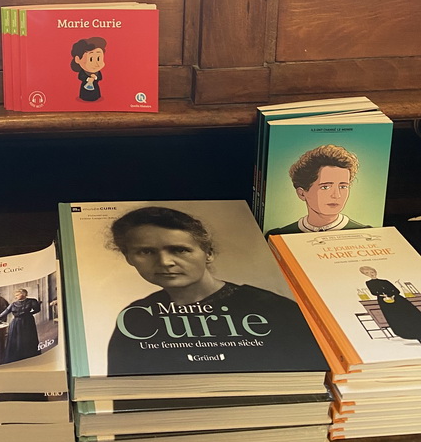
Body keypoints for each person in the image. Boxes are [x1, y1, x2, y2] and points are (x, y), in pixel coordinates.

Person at [106, 206, 318, 376]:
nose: (165, 262)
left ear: (208, 253)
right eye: (146, 251)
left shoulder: (276, 310)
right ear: (129, 258)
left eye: (179, 250)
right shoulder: (136, 317)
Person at [265, 144, 366, 236]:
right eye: (325, 187)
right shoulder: (279, 235)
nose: (337, 195)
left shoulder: (365, 234)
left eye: (343, 186)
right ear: (302, 193)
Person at [360, 266, 421, 344]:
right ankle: (413, 334)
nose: (371, 274)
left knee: (410, 314)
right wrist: (384, 295)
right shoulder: (369, 283)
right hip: (385, 302)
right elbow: (374, 292)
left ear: (375, 271)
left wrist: (392, 295)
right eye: (367, 273)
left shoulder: (385, 281)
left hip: (398, 300)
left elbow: (396, 290)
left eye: (371, 272)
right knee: (397, 317)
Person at [0, 287, 41, 364]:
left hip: (27, 323)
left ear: (23, 294)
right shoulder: (13, 304)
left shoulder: (32, 301)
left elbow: (37, 309)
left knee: (27, 339)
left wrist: (29, 314)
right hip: (16, 323)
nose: (15, 296)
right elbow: (4, 313)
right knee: (16, 341)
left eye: (17, 295)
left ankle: (28, 356)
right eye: (15, 295)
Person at [70, 37, 106, 102]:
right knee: (85, 93)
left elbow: (100, 78)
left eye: (98, 59)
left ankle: (96, 97)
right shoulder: (83, 72)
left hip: (95, 88)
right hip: (85, 89)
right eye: (91, 59)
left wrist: (95, 77)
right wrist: (88, 79)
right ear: (78, 59)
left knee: (96, 93)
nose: (96, 64)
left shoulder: (97, 72)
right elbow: (80, 77)